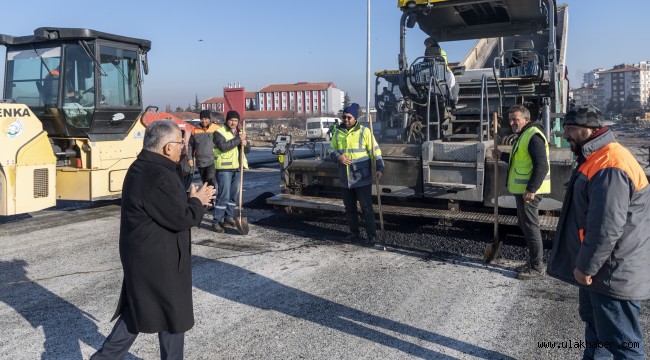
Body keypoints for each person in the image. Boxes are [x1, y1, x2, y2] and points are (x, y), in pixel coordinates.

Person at [91, 120, 215, 359]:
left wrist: (189, 199)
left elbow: (166, 209)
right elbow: (180, 218)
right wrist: (198, 200)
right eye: (180, 143)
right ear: (167, 148)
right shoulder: (157, 174)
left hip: (147, 256)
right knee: (171, 317)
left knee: (139, 311)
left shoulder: (143, 168)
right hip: (159, 261)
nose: (183, 148)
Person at [547, 105, 650, 360]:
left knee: (624, 345)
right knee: (598, 334)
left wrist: (586, 267)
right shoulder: (597, 157)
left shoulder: (610, 164)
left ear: (589, 129)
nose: (565, 133)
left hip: (612, 273)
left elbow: (606, 228)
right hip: (604, 271)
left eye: (570, 128)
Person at [492, 105, 550, 280]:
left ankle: (537, 268)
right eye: (510, 119)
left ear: (526, 118)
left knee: (531, 227)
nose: (512, 122)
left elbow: (542, 165)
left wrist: (531, 189)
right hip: (524, 191)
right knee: (526, 225)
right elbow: (519, 159)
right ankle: (534, 263)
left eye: (516, 119)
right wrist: (502, 156)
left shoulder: (533, 136)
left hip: (528, 193)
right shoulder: (524, 135)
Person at [329, 103, 384, 246]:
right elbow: (331, 149)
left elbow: (375, 151)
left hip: (361, 177)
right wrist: (338, 157)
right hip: (345, 177)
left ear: (355, 118)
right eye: (344, 117)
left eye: (349, 117)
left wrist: (380, 167)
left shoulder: (365, 132)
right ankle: (354, 233)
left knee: (366, 208)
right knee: (350, 208)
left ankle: (371, 236)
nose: (346, 120)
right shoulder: (338, 132)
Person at [212, 110, 250, 233]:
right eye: (231, 120)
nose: (233, 122)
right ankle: (217, 221)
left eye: (235, 120)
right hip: (224, 168)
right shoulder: (219, 132)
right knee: (223, 196)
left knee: (233, 196)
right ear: (226, 120)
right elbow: (224, 147)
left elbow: (247, 150)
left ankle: (228, 217)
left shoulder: (240, 132)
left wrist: (245, 143)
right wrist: (239, 139)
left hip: (237, 168)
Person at [189, 110, 220, 190]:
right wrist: (190, 158)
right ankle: (207, 200)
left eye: (206, 119)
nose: (204, 121)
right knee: (204, 182)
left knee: (210, 181)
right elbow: (191, 145)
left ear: (209, 119)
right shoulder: (195, 130)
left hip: (212, 161)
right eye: (202, 119)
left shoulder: (216, 129)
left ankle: (211, 201)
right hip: (200, 161)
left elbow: (221, 144)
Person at [423, 37, 458, 107]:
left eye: (427, 44)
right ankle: (453, 101)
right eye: (425, 45)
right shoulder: (438, 52)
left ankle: (451, 100)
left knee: (454, 85)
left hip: (437, 75)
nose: (426, 46)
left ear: (432, 44)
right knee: (455, 85)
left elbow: (442, 63)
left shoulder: (429, 54)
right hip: (442, 76)